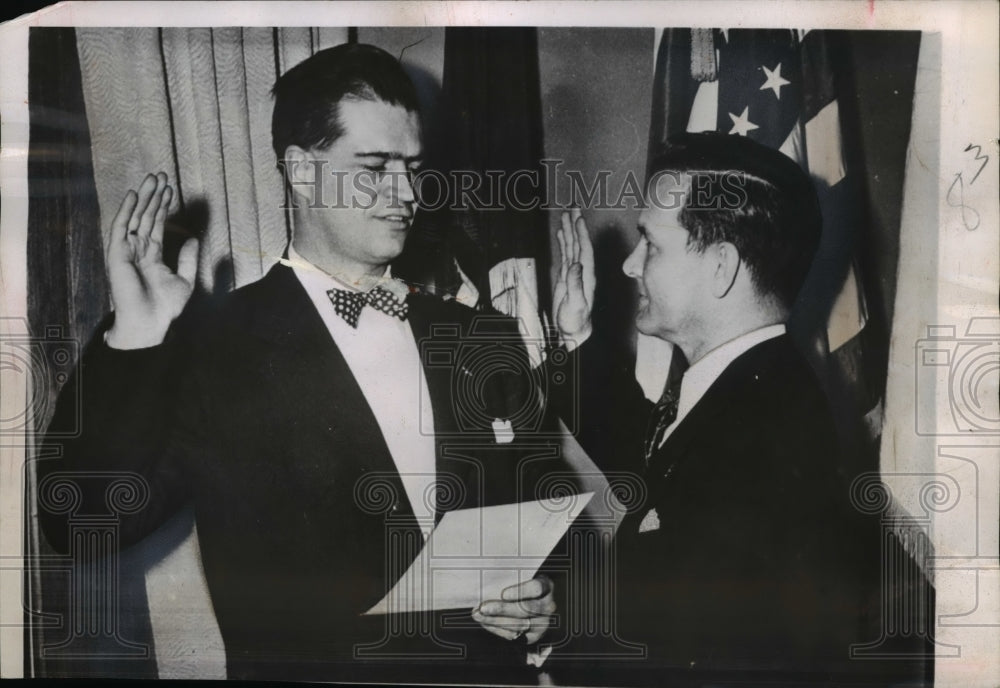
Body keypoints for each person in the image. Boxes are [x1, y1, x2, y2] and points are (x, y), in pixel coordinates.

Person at [39, 43, 563, 683]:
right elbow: (82, 521)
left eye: (413, 167)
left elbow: (550, 514)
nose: (407, 193)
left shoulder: (481, 335)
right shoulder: (215, 345)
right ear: (303, 171)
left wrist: (546, 601)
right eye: (375, 167)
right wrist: (137, 335)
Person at [548, 132, 883, 684]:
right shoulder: (749, 388)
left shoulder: (764, 426)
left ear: (721, 267)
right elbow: (656, 470)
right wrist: (577, 335)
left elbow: (674, 641)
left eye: (651, 244)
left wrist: (557, 634)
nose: (630, 266)